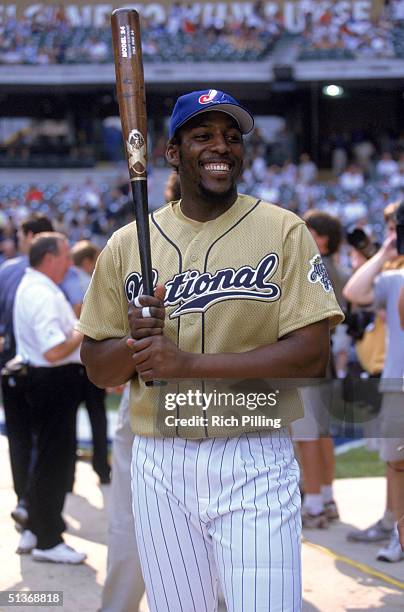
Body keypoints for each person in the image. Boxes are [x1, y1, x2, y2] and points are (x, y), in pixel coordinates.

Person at [78, 89, 343, 610]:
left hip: (253, 449)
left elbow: (312, 356)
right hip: (160, 457)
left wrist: (189, 363)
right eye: (203, 135)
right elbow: (94, 365)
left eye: (231, 136)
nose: (220, 146)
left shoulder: (284, 230)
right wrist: (137, 342)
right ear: (172, 152)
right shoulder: (129, 243)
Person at [13, 232, 86, 563]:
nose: (70, 262)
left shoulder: (39, 287)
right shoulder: (40, 292)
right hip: (52, 379)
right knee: (53, 462)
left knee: (48, 458)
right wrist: (82, 329)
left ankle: (40, 527)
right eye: (65, 255)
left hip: (48, 380)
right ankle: (48, 539)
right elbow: (54, 350)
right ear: (49, 258)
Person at [343, 205, 404, 563]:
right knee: (397, 464)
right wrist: (385, 251)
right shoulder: (394, 275)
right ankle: (398, 533)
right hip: (396, 382)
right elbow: (354, 290)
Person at [0, 213, 53, 533]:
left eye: (20, 233)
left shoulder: (7, 269)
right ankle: (35, 505)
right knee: (45, 440)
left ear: (30, 235)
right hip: (47, 367)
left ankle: (24, 500)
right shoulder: (62, 271)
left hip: (11, 363)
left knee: (19, 438)